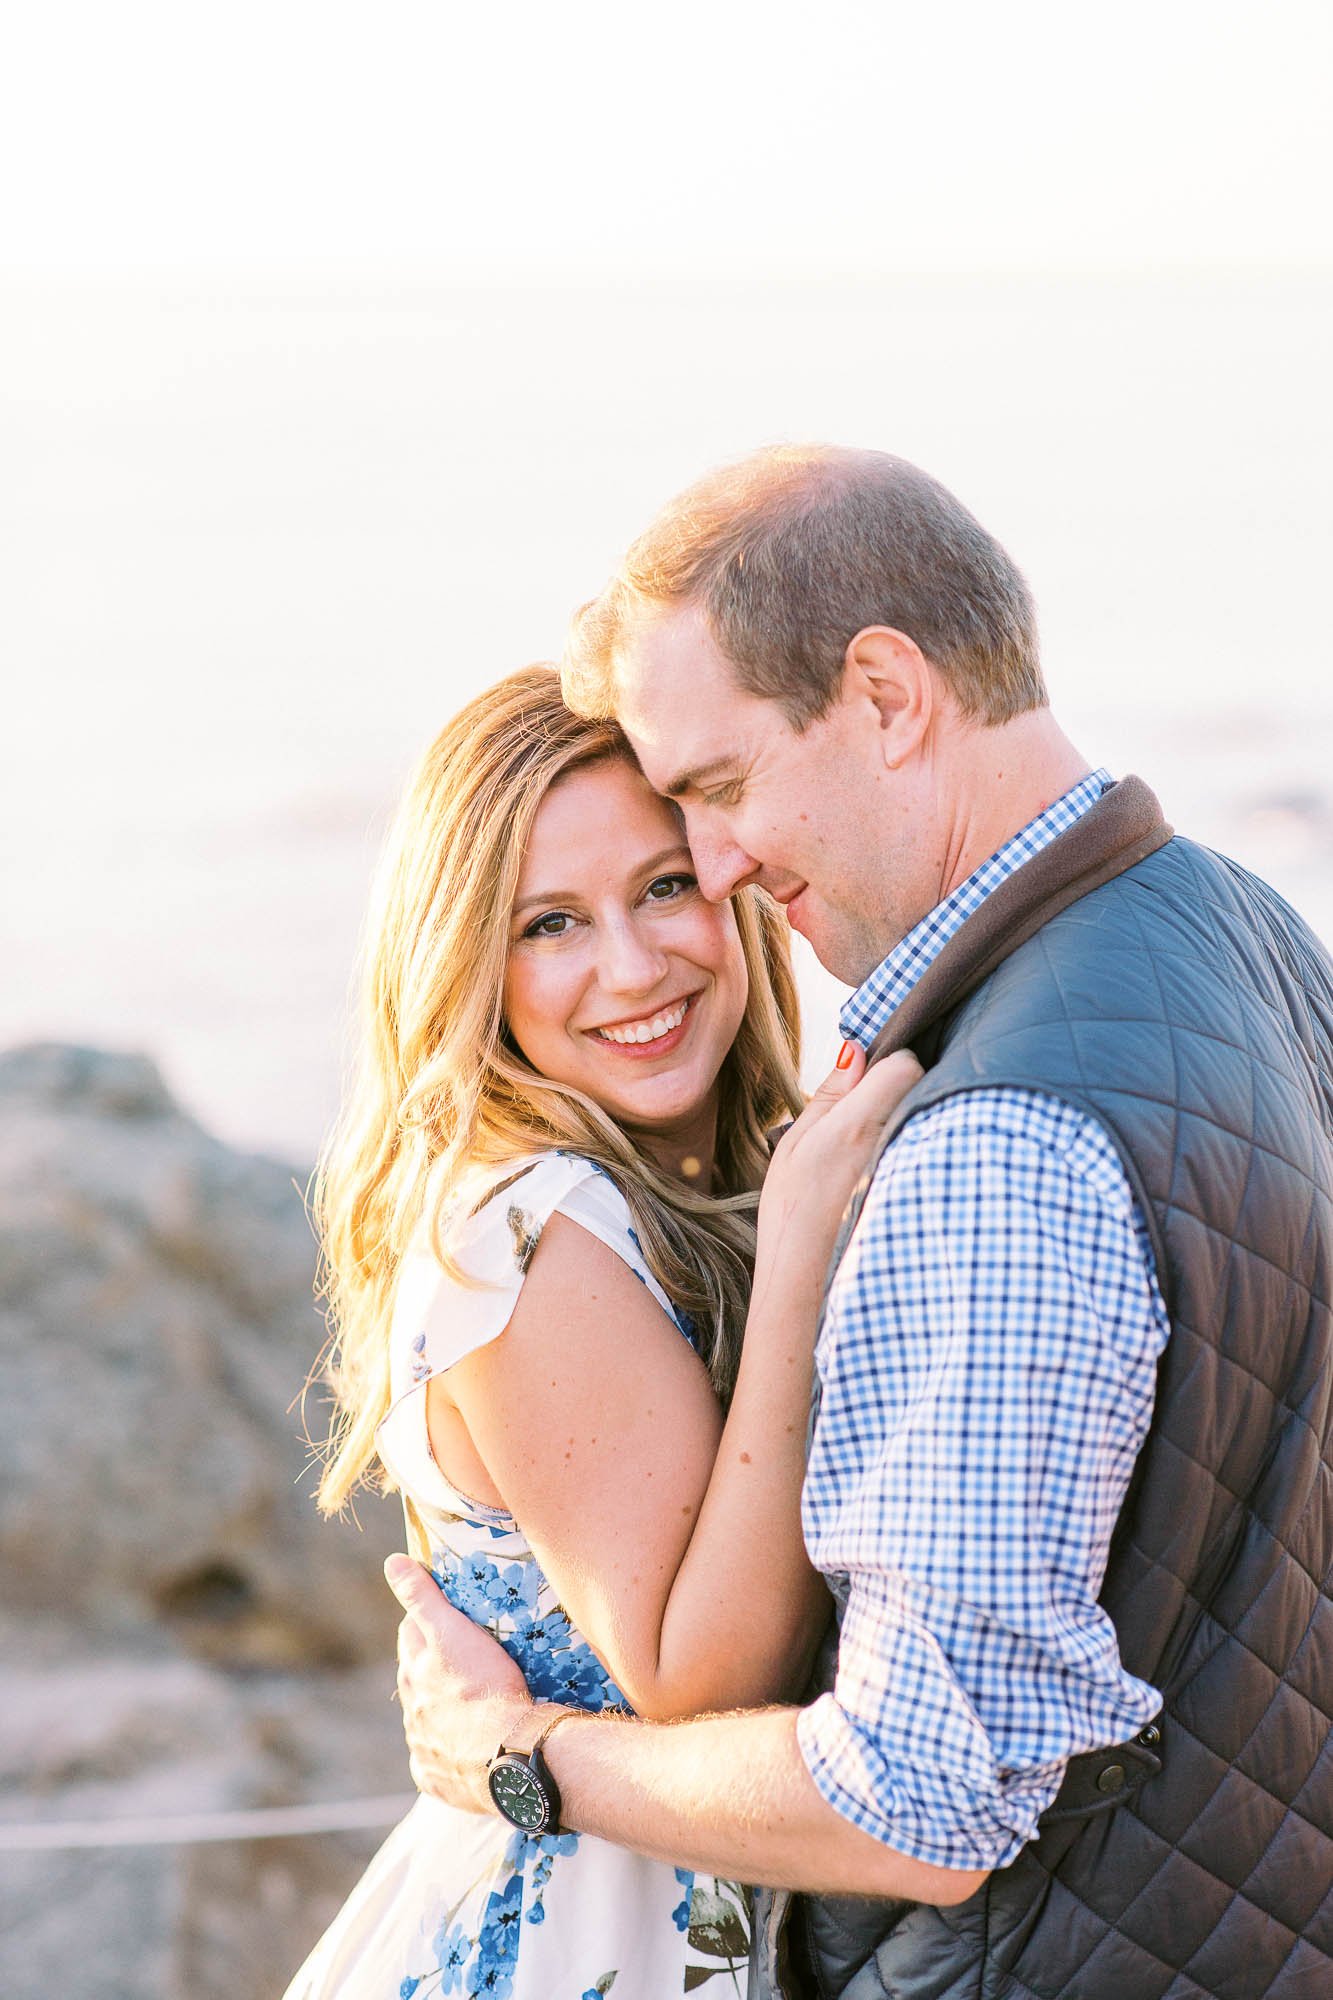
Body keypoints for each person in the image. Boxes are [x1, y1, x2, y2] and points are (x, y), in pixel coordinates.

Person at [388, 447, 1333, 2000]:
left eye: (716, 792)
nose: (721, 868)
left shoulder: (993, 1139)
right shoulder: (1231, 925)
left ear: (889, 696)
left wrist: (523, 1753)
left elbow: (920, 1795)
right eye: (551, 921)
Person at [283, 663, 919, 1999]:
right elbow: (692, 1680)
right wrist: (804, 1251)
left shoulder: (675, 1183)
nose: (631, 967)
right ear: (469, 961)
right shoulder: (535, 1225)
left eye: (664, 887)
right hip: (588, 1941)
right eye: (550, 924)